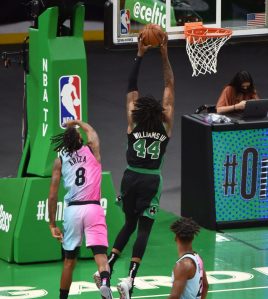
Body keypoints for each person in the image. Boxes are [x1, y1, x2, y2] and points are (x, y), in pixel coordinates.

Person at [94, 33, 175, 299]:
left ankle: (106, 272)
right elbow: (169, 85)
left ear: (139, 110)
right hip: (152, 180)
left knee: (128, 224)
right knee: (144, 229)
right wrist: (163, 54)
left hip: (130, 178)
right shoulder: (166, 124)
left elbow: (131, 85)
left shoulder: (133, 120)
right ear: (161, 111)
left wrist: (140, 54)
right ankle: (129, 280)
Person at [48, 119, 113, 299]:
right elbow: (91, 131)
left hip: (73, 211)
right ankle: (105, 283)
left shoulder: (60, 160)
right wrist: (76, 122)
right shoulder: (92, 150)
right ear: (79, 138)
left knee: (69, 261)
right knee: (101, 257)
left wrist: (52, 223)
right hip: (93, 208)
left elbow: (52, 195)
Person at [167, 217, 209, 299]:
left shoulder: (182, 265)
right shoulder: (198, 258)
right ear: (192, 238)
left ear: (176, 238)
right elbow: (205, 286)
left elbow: (174, 297)